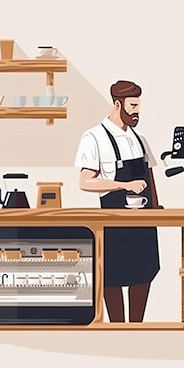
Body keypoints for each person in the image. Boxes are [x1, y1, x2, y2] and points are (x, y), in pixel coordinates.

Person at [74, 80, 162, 322]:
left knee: (144, 274)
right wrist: (123, 185)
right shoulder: (94, 137)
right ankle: (116, 329)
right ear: (117, 104)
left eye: (138, 107)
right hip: (113, 222)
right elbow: (85, 181)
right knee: (111, 276)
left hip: (143, 222)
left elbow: (149, 174)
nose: (136, 112)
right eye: (132, 106)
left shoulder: (139, 137)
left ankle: (137, 328)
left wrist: (156, 206)